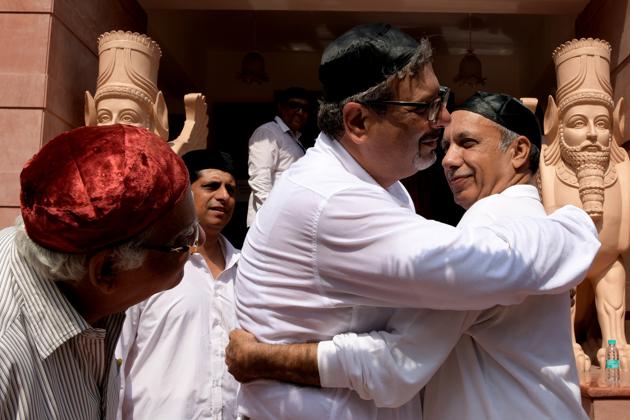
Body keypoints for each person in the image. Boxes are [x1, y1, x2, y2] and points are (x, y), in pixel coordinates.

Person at [233, 23, 599, 419]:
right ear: (357, 122)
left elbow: (398, 361)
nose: (441, 120)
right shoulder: (335, 201)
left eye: (440, 100)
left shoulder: (409, 196)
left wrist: (267, 359)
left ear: (520, 151)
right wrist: (579, 228)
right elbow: (494, 264)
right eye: (424, 107)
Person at [0, 124, 196, 420]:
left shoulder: (96, 301)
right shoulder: (7, 354)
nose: (201, 242)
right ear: (106, 270)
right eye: (183, 241)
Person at [116, 149, 241, 419]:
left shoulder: (248, 272)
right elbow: (116, 357)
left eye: (231, 189)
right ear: (185, 192)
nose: (224, 196)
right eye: (211, 186)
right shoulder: (148, 262)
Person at [247, 86, 310, 226]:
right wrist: (273, 216)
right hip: (270, 222)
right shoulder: (268, 132)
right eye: (294, 105)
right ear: (281, 107)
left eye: (305, 109)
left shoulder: (294, 138)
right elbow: (260, 178)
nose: (300, 112)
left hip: (288, 220)